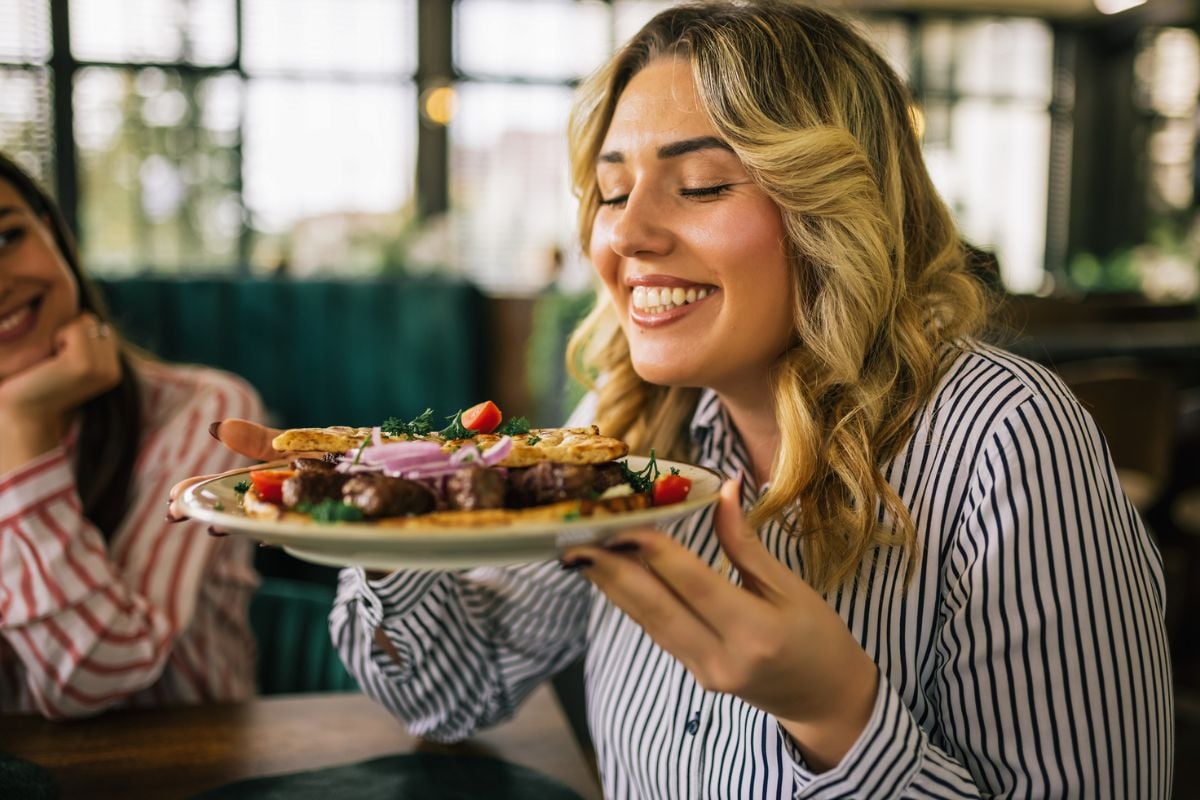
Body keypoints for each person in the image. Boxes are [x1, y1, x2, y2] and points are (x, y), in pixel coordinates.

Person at [178, 2, 1173, 796]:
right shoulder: (625, 435)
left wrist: (837, 713)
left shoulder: (1007, 439)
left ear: (837, 207)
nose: (629, 234)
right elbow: (453, 691)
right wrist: (379, 519)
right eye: (612, 191)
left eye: (699, 185)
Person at [0, 152, 265, 718]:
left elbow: (95, 677)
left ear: (55, 234)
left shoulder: (206, 411)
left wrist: (22, 426)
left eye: (6, 238)